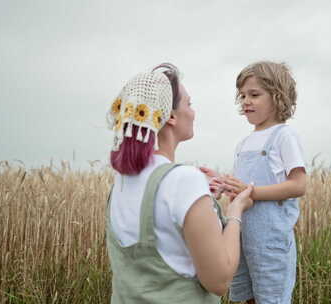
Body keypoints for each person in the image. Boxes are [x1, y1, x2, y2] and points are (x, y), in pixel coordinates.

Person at [105, 63, 253, 304]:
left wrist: (202, 202)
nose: (193, 112)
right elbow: (219, 281)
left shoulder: (121, 181)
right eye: (189, 104)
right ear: (171, 116)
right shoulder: (183, 181)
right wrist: (235, 211)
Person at [201, 61, 307, 304]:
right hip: (240, 237)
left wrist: (253, 193)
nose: (246, 101)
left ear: (278, 97)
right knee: (246, 297)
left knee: (271, 298)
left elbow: (298, 185)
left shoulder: (284, 136)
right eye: (243, 95)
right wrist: (222, 182)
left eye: (254, 95)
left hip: (269, 241)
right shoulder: (244, 143)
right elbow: (242, 188)